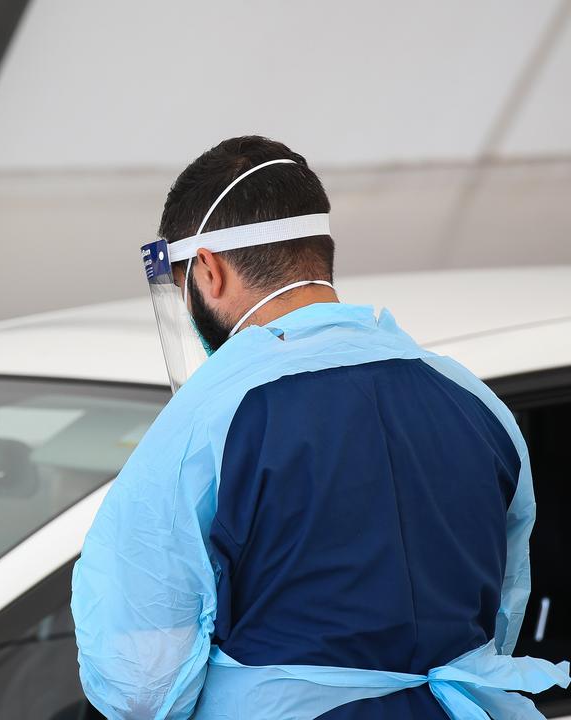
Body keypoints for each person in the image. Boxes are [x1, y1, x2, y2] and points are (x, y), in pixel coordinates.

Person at [71, 135, 569, 719]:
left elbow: (140, 682)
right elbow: (502, 612)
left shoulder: (208, 421)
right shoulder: (475, 404)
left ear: (207, 270)